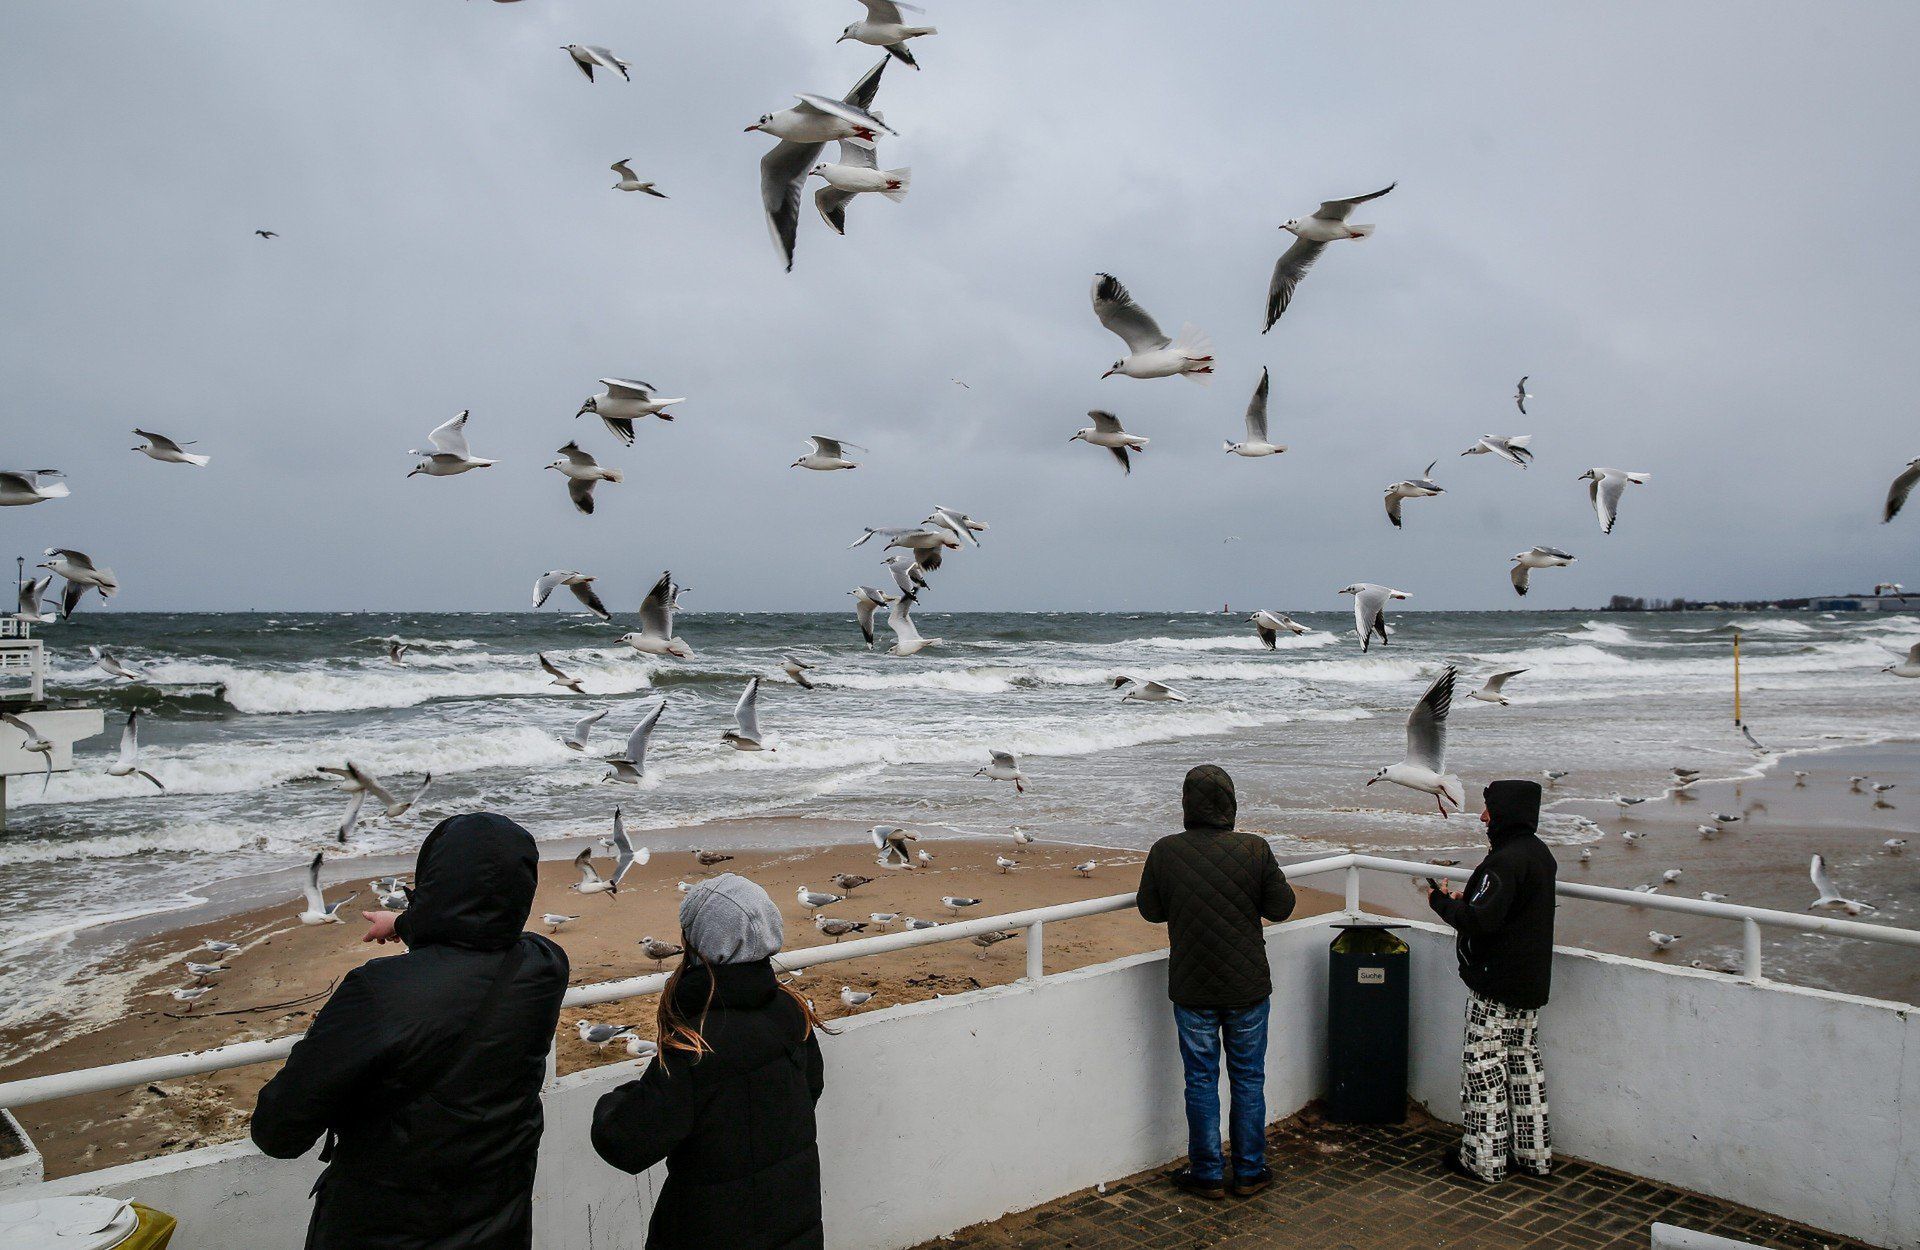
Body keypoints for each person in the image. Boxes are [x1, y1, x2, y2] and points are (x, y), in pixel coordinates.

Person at [251, 813, 569, 1250]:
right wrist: (402, 924)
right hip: (500, 1222)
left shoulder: (378, 992)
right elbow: (484, 931)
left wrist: (410, 922)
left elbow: (279, 1133)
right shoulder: (544, 964)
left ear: (431, 883)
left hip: (387, 1229)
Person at [591, 873, 830, 1249]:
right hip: (791, 1215)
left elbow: (625, 1144)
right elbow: (809, 1089)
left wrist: (620, 1098)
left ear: (699, 940)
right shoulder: (791, 1009)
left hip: (711, 1227)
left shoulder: (696, 1044)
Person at [1136, 764, 1296, 1199]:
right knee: (1248, 1078)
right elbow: (1282, 907)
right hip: (1247, 986)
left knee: (1201, 1080)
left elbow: (1150, 910)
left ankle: (1206, 1173)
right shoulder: (1254, 849)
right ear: (1231, 803)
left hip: (1192, 987)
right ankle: (1250, 1171)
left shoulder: (1166, 851)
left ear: (1187, 804)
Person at [1427, 778, 1558, 1183]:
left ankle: (1484, 1162)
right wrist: (1474, 900)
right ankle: (1534, 1157)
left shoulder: (1504, 861)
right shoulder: (1539, 855)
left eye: (1489, 809)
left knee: (1482, 1071)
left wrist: (1442, 903)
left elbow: (1480, 921)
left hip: (1496, 984)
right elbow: (1504, 908)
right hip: (1529, 982)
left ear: (1505, 813)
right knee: (1523, 1069)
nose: (1483, 817)